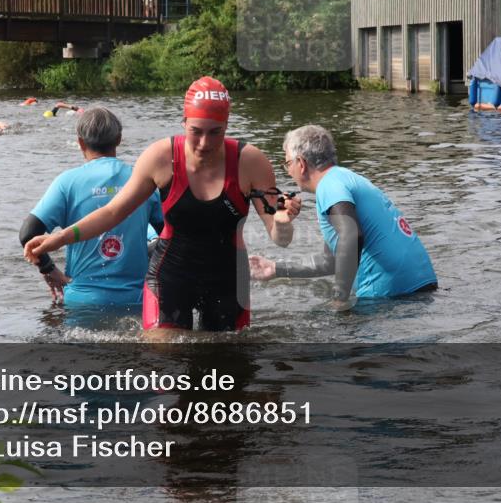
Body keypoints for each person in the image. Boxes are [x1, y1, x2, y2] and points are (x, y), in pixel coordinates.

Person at [25, 76, 302, 334]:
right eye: (196, 131)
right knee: (163, 367)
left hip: (227, 277)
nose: (204, 143)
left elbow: (281, 239)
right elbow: (112, 212)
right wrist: (60, 238)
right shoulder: (160, 157)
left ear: (227, 126)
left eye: (215, 132)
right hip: (170, 275)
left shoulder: (251, 162)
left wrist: (282, 222)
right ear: (183, 123)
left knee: (228, 373)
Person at [249, 124, 437, 310]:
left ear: (301, 163)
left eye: (288, 164)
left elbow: (352, 235)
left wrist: (340, 298)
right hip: (422, 289)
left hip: (391, 296)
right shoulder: (344, 179)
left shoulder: (329, 186)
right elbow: (329, 263)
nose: (288, 172)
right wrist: (274, 269)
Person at [20, 107, 164, 307]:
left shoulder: (66, 182)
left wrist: (49, 270)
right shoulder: (142, 180)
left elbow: (28, 233)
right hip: (138, 299)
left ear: (80, 142)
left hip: (82, 300)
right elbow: (168, 237)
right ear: (119, 139)